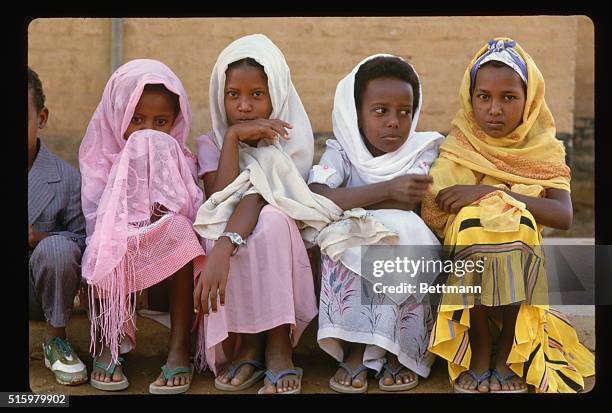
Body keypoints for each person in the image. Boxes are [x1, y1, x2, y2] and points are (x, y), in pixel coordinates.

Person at [422, 38, 595, 393]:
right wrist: (480, 205)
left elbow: (562, 215)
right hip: (465, 260)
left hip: (520, 263)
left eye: (508, 98)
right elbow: (436, 206)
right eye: (483, 96)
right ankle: (482, 345)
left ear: (529, 100)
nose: (494, 109)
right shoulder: (460, 143)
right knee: (473, 227)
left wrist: (491, 193)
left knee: (513, 224)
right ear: (470, 98)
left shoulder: (544, 148)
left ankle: (509, 350)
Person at [308, 54, 444, 392]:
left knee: (403, 230)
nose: (395, 122)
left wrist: (356, 197)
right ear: (356, 112)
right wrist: (386, 189)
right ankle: (356, 348)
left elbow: (410, 200)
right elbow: (318, 194)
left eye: (404, 111)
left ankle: (396, 350)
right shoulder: (342, 151)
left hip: (406, 239)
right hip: (358, 236)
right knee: (343, 237)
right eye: (380, 110)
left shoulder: (422, 148)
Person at [193, 34, 319, 394]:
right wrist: (232, 138)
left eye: (257, 95)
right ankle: (247, 343)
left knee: (274, 223)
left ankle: (279, 343)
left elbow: (267, 196)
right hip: (226, 223)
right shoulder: (211, 143)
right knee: (232, 230)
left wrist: (225, 245)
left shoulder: (289, 138)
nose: (245, 106)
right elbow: (220, 198)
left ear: (276, 94)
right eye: (233, 95)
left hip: (271, 228)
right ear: (221, 96)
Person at [78, 59, 205, 394]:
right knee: (107, 239)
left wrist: (163, 209)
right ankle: (109, 340)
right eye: (136, 120)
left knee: (179, 230)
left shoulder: (179, 154)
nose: (148, 131)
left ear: (175, 121)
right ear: (117, 114)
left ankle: (179, 346)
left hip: (164, 269)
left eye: (160, 122)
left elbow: (190, 205)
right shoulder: (98, 155)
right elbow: (96, 212)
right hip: (123, 250)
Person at [28, 66, 88, 386]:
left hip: (37, 291)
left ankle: (56, 340)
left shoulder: (67, 178)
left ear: (42, 117)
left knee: (58, 247)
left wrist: (40, 237)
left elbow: (83, 240)